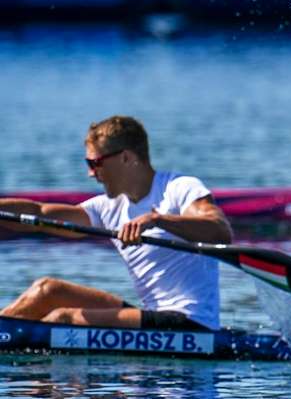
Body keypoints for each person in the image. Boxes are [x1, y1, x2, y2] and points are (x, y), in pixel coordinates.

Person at [0, 116, 232, 331]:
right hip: (153, 317)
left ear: (126, 158)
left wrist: (157, 219)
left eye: (95, 163)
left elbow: (220, 231)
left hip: (191, 323)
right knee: (47, 290)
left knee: (63, 319)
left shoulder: (179, 188)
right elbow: (38, 213)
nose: (91, 173)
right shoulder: (108, 207)